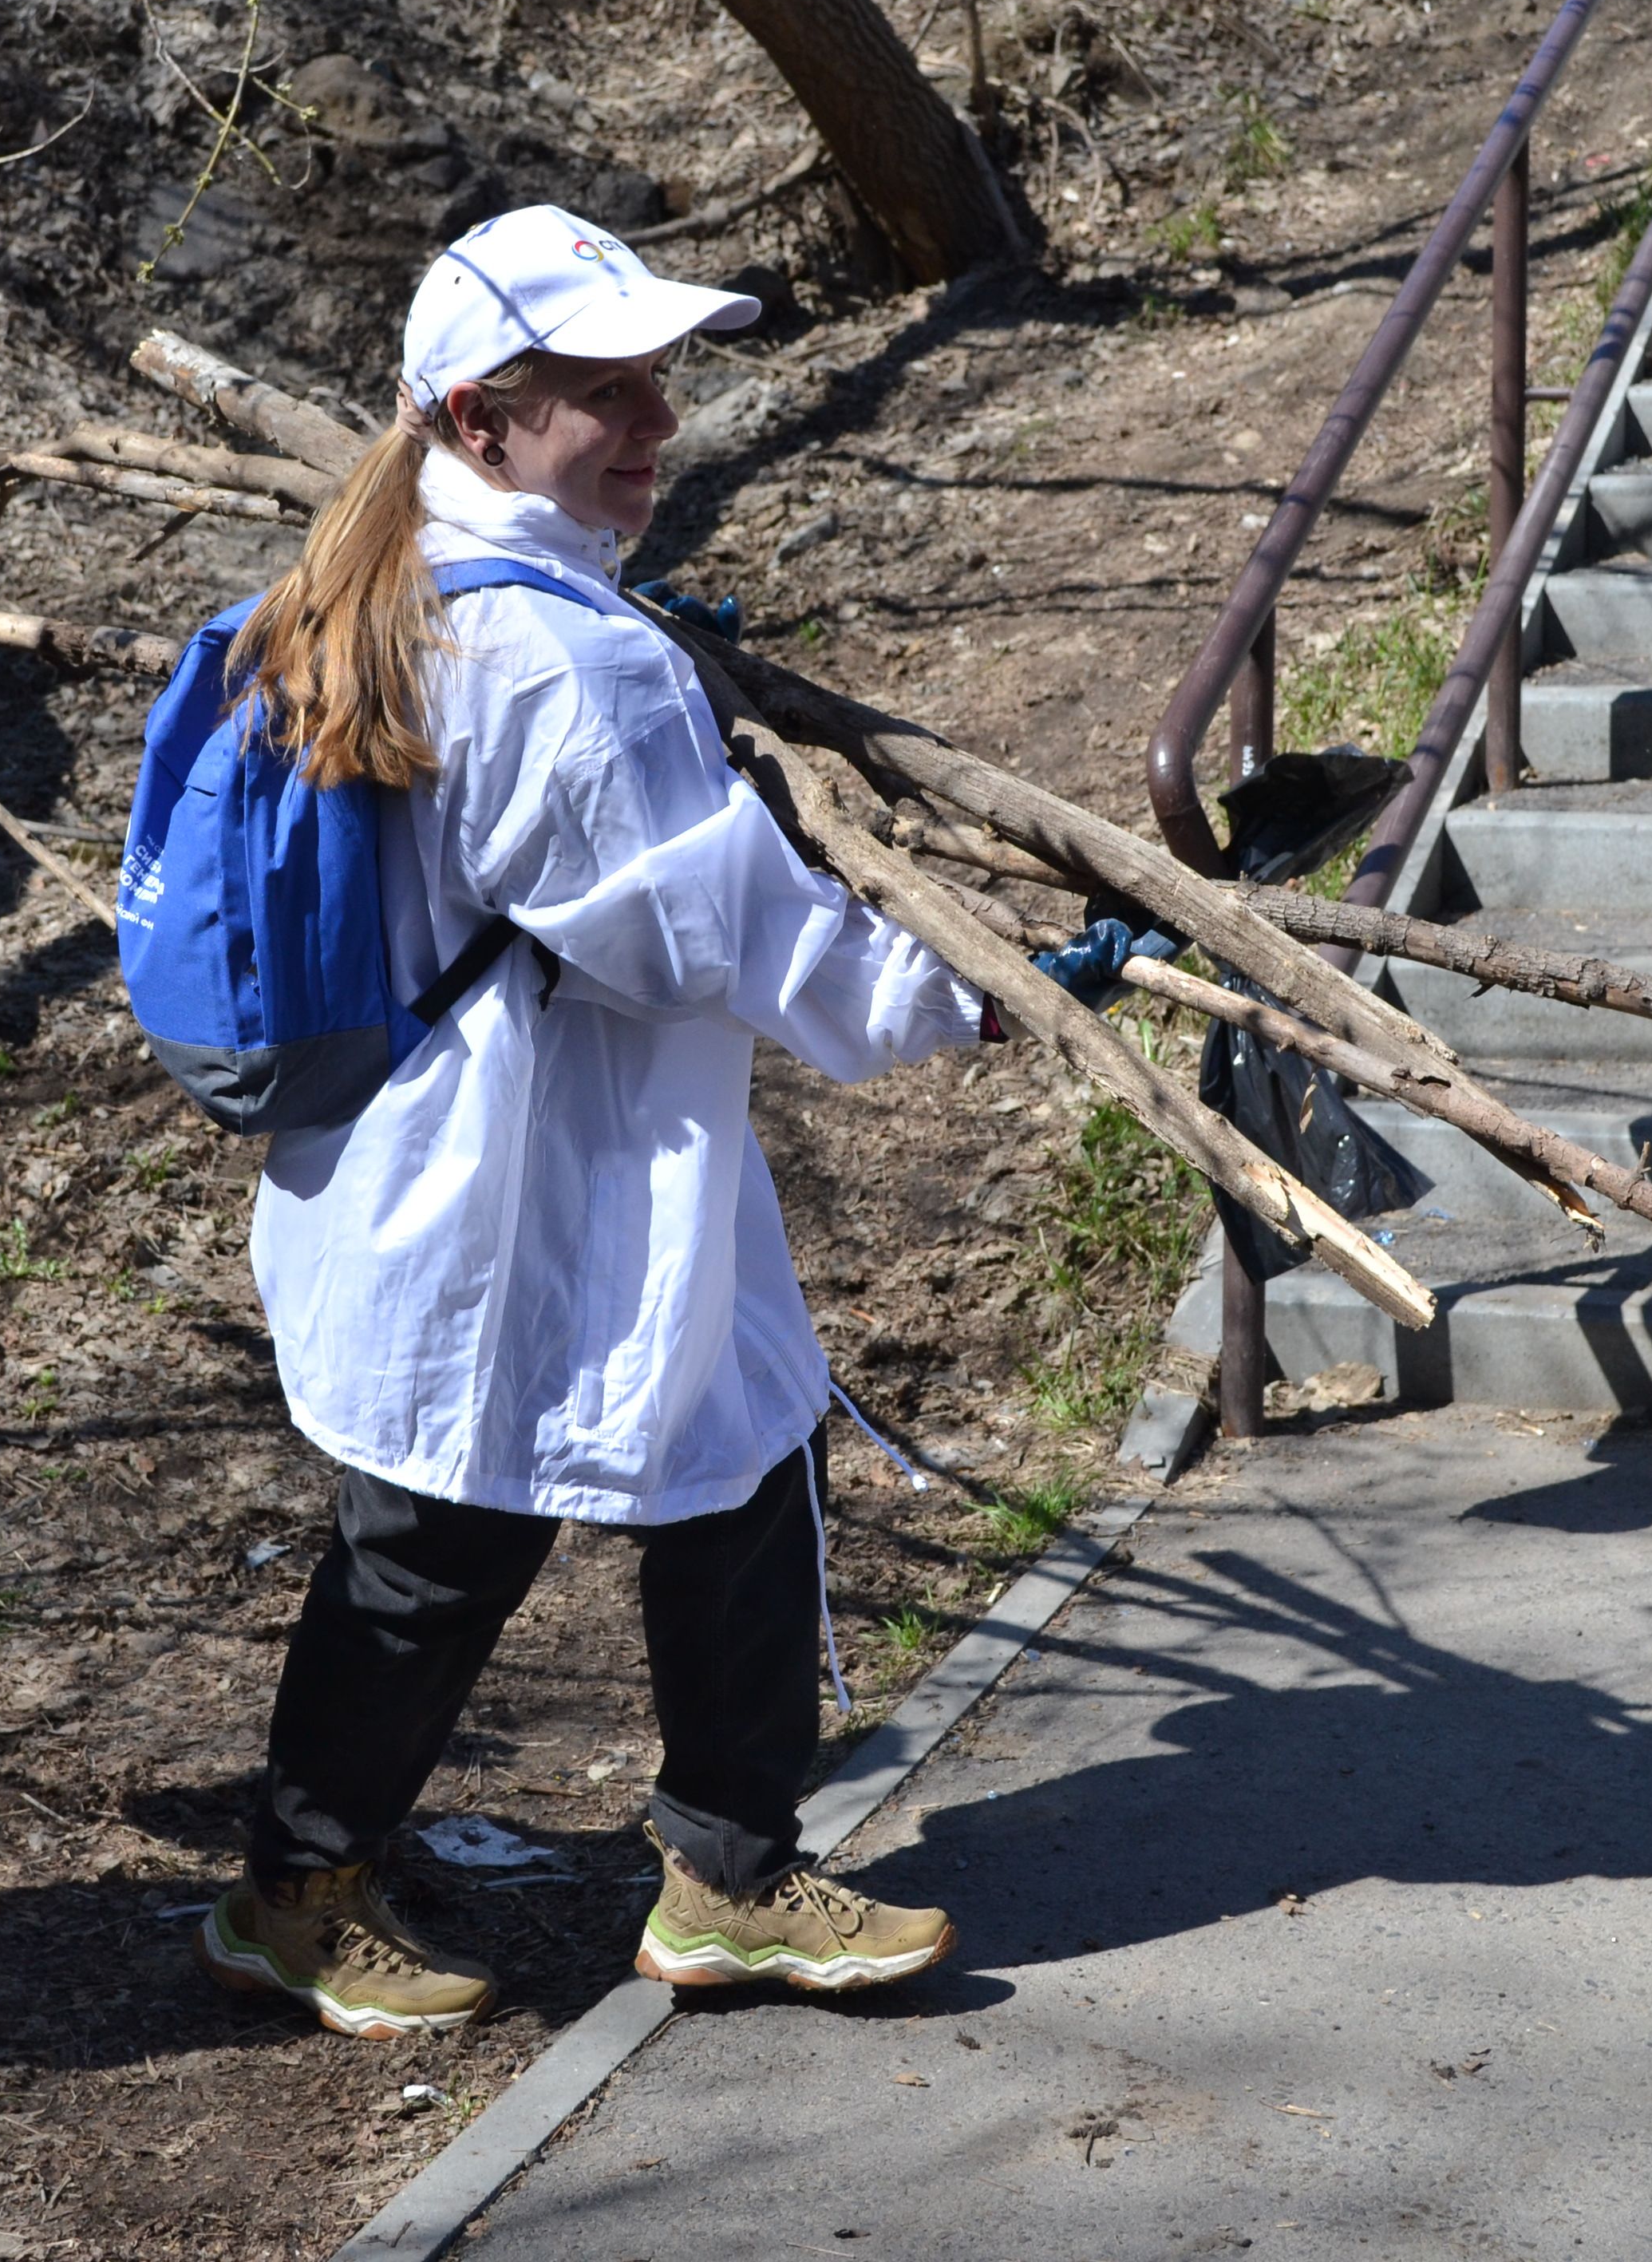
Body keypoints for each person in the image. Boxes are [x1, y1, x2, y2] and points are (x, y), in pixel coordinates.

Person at [190, 207, 1004, 2038]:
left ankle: (729, 1875)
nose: (657, 420)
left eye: (658, 381)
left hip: (483, 1166)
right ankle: (298, 1894)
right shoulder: (566, 661)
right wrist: (957, 991)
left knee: (735, 1461)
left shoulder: (431, 579)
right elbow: (708, 934)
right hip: (519, 1193)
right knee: (440, 1549)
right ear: (482, 420)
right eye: (604, 391)